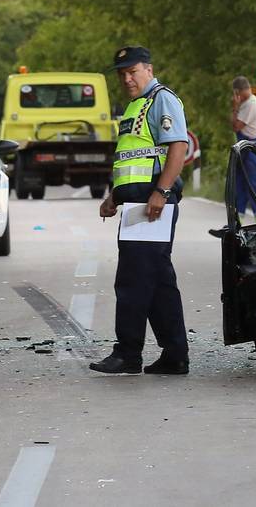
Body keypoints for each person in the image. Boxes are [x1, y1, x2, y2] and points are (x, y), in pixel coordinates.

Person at [89, 46, 190, 376]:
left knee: (133, 280)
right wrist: (113, 196)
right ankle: (175, 354)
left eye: (132, 71)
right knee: (159, 281)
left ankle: (128, 353)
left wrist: (161, 191)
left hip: (152, 206)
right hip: (136, 205)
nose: (127, 78)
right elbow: (131, 158)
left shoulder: (162, 99)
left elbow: (178, 147)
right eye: (122, 74)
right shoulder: (135, 107)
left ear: (148, 69)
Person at [230, 76, 256, 222]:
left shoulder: (250, 105)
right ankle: (237, 218)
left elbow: (236, 127)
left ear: (238, 91)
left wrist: (235, 107)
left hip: (252, 151)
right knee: (240, 184)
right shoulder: (248, 102)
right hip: (245, 151)